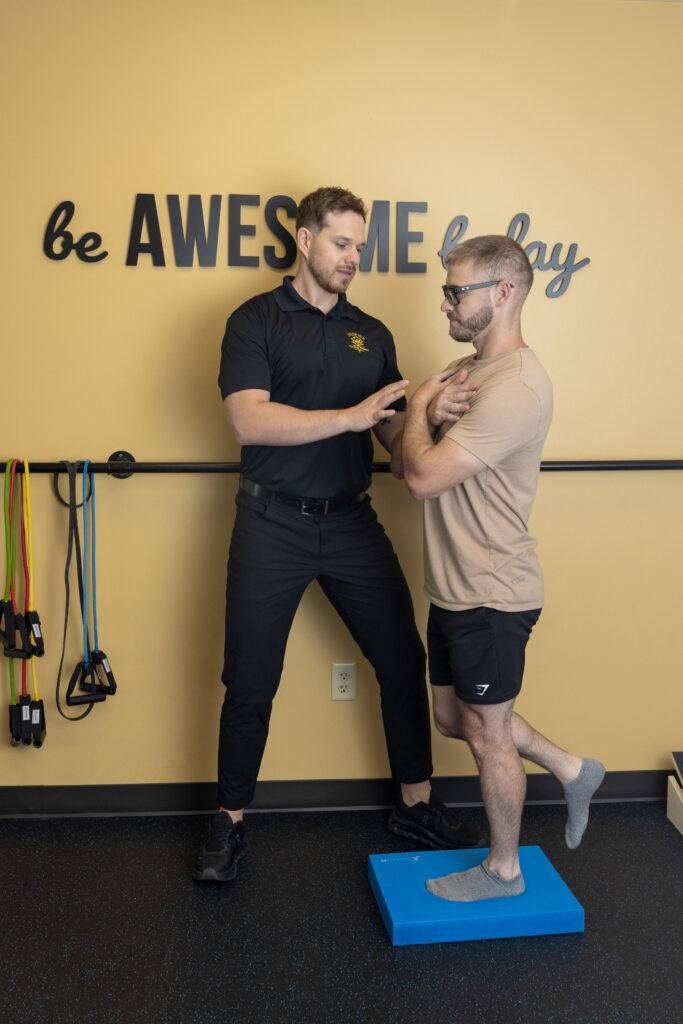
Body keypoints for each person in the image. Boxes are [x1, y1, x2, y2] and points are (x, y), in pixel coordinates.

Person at [194, 187, 483, 882]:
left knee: (400, 658)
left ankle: (415, 805)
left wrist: (426, 412)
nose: (354, 257)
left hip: (349, 520)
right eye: (341, 243)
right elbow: (250, 422)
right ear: (304, 239)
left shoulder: (369, 333)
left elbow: (387, 435)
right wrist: (351, 415)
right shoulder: (255, 320)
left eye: (359, 246)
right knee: (251, 680)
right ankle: (228, 825)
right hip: (270, 523)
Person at [401, 235, 605, 902]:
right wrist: (428, 410)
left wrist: (420, 407)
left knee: (488, 734)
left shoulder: (516, 386)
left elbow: (423, 476)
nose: (445, 302)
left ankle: (504, 870)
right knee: (454, 721)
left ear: (504, 292)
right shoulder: (469, 371)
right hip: (454, 589)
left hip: (492, 592)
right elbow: (421, 443)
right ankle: (568, 767)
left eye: (456, 291)